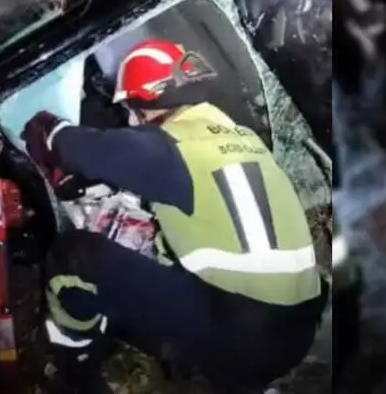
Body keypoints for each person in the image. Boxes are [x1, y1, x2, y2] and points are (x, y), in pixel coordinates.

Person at [22, 38, 327, 394]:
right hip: (299, 328)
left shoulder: (171, 146)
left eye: (131, 110)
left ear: (147, 102)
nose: (132, 120)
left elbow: (73, 148)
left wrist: (46, 125)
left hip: (243, 337)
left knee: (72, 259)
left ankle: (75, 368)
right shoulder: (242, 137)